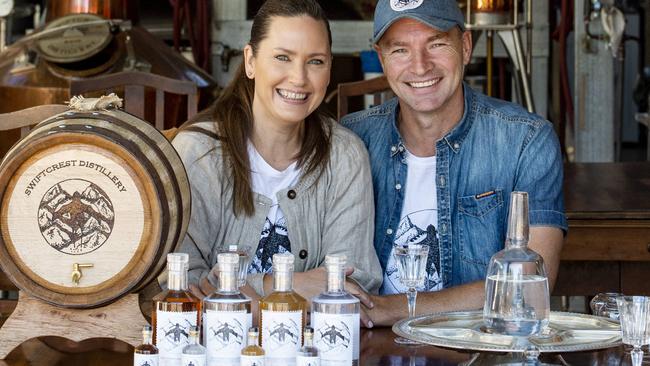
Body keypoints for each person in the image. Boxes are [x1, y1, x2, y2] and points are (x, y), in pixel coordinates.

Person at [342, 0, 567, 326]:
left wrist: (388, 309)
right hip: (368, 351)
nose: (420, 67)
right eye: (400, 50)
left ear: (465, 46)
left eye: (436, 44)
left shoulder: (526, 141)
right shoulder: (351, 140)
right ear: (382, 59)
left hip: (480, 352)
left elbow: (530, 286)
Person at [170, 0, 381, 313]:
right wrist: (292, 286)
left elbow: (355, 283)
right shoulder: (198, 152)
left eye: (316, 61)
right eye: (283, 57)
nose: (298, 78)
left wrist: (237, 293)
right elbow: (180, 284)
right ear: (251, 61)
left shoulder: (345, 155)